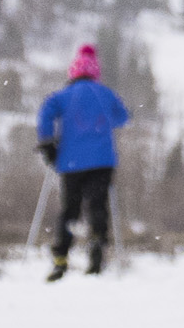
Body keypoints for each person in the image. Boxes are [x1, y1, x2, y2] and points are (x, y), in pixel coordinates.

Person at [36, 44, 130, 282]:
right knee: (97, 206)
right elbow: (122, 117)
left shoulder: (62, 96)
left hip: (71, 162)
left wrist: (48, 142)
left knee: (70, 208)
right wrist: (101, 121)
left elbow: (45, 113)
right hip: (102, 160)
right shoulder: (105, 93)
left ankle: (61, 258)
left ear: (73, 73)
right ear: (95, 72)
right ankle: (97, 246)